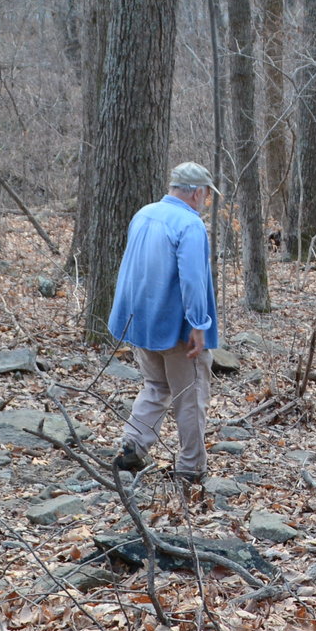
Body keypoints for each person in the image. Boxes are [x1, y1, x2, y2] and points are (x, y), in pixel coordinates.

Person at [108, 162, 220, 485]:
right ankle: (191, 468)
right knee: (190, 394)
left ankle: (133, 445)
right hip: (177, 328)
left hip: (140, 321)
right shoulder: (190, 225)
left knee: (156, 386)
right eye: (207, 196)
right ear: (197, 193)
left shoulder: (143, 214)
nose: (206, 202)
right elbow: (194, 280)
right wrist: (198, 324)